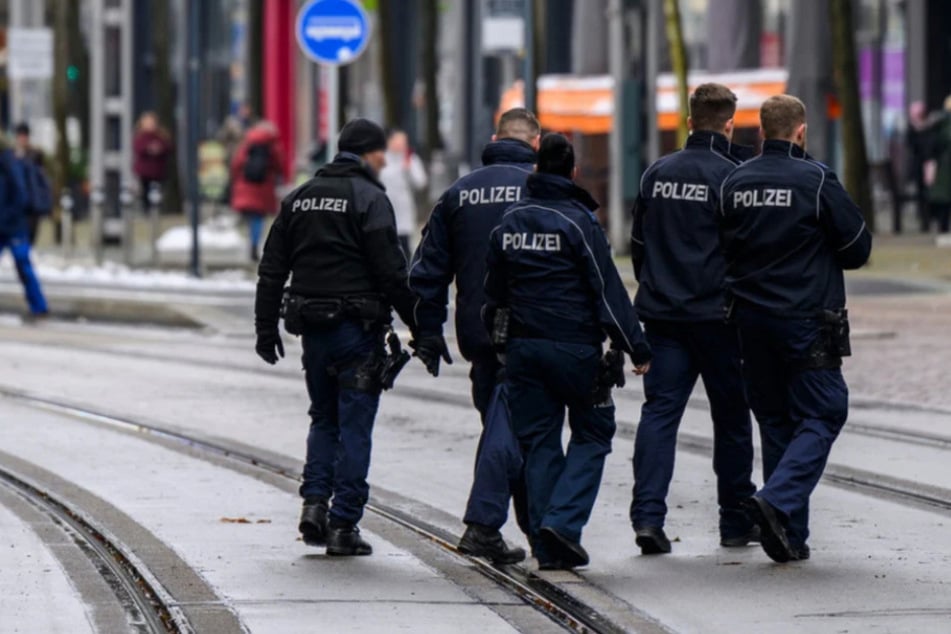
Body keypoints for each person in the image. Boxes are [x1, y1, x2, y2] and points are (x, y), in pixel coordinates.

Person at [484, 133, 651, 570]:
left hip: (523, 348)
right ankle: (562, 523)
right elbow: (607, 290)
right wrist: (636, 346)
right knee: (594, 431)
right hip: (575, 349)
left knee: (538, 440)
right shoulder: (578, 222)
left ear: (536, 170)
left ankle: (544, 541)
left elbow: (493, 289)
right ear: (573, 172)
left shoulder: (511, 220)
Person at [254, 118, 419, 557]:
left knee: (323, 419)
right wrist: (423, 327)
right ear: (366, 153)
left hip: (314, 334)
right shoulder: (370, 199)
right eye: (379, 152)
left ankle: (314, 504)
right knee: (355, 426)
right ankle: (344, 523)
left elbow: (272, 269)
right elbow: (392, 273)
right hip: (357, 334)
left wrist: (265, 328)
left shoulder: (299, 198)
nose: (384, 160)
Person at [720, 95, 872, 563]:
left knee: (775, 420)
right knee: (825, 411)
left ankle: (787, 534)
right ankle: (778, 501)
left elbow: (722, 245)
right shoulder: (816, 180)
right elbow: (856, 246)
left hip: (749, 319)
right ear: (800, 131)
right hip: (805, 318)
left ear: (762, 130)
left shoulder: (734, 181)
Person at [629, 83, 757, 555]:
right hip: (718, 319)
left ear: (688, 122)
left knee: (660, 414)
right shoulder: (734, 176)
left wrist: (656, 286)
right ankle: (734, 521)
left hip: (663, 317)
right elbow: (743, 251)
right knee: (731, 418)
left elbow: (638, 245)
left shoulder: (655, 173)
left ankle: (647, 516)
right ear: (728, 125)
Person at [409, 108, 540, 564]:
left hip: (478, 333)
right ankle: (485, 524)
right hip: (533, 331)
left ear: (494, 138)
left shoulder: (459, 193)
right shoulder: (544, 189)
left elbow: (426, 273)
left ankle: (537, 528)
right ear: (536, 142)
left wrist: (427, 331)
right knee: (515, 428)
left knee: (506, 427)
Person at [0, 134, 48, 318]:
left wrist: (6, 217)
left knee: (23, 264)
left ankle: (39, 306)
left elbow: (21, 196)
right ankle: (39, 305)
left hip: (13, 225)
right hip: (9, 224)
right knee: (23, 265)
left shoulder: (9, 165)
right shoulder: (10, 162)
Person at [231, 120, 284, 261]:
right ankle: (254, 244)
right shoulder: (273, 146)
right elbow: (280, 166)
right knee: (258, 218)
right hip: (263, 187)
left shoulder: (247, 144)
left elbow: (236, 164)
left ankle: (251, 242)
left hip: (245, 185)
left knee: (250, 216)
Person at [379, 128, 427, 255]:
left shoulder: (411, 159)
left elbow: (420, 182)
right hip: (385, 209)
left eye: (404, 141)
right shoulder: (382, 158)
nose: (402, 144)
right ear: (390, 141)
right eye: (398, 141)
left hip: (404, 211)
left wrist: (408, 168)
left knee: (404, 247)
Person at [13, 123, 52, 245]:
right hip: (15, 203)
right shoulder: (10, 155)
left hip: (32, 203)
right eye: (20, 135)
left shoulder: (36, 155)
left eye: (25, 135)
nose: (22, 138)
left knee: (30, 236)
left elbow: (42, 179)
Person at [132, 112, 173, 214]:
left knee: (158, 192)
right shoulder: (140, 136)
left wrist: (159, 149)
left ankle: (157, 211)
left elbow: (168, 147)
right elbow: (138, 148)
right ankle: (147, 211)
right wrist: (149, 149)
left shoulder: (162, 135)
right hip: (144, 172)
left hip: (159, 171)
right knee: (145, 193)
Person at [926, 96, 951, 234]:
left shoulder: (940, 124)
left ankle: (942, 225)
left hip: (943, 167)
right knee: (943, 198)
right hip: (944, 168)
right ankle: (942, 225)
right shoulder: (942, 125)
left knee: (943, 198)